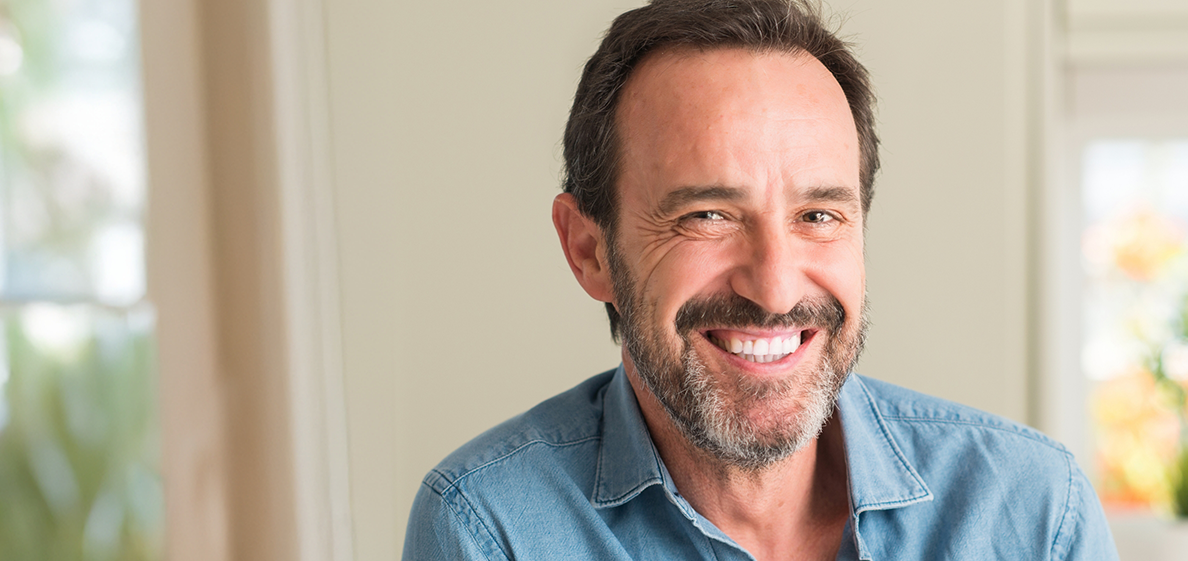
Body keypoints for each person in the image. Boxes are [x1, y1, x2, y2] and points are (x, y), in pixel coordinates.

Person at [402, 1, 1117, 559]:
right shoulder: (488, 529)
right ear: (589, 250)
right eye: (708, 214)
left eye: (818, 214)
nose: (775, 289)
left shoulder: (1035, 514)